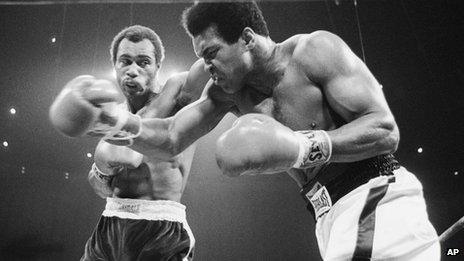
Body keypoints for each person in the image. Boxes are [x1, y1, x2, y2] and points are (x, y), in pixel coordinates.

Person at [52, 2, 439, 260]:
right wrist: (113, 124)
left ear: (248, 39)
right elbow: (170, 137)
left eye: (212, 53)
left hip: (375, 195)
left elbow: (385, 130)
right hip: (328, 213)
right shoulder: (226, 92)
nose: (206, 67)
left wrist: (300, 147)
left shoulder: (314, 51)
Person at [49, 25, 208, 260]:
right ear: (115, 66)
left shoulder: (177, 96)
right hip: (111, 223)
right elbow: (101, 188)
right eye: (125, 61)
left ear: (157, 66)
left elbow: (211, 69)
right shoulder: (108, 114)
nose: (133, 70)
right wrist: (101, 166)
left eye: (143, 62)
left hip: (160, 229)